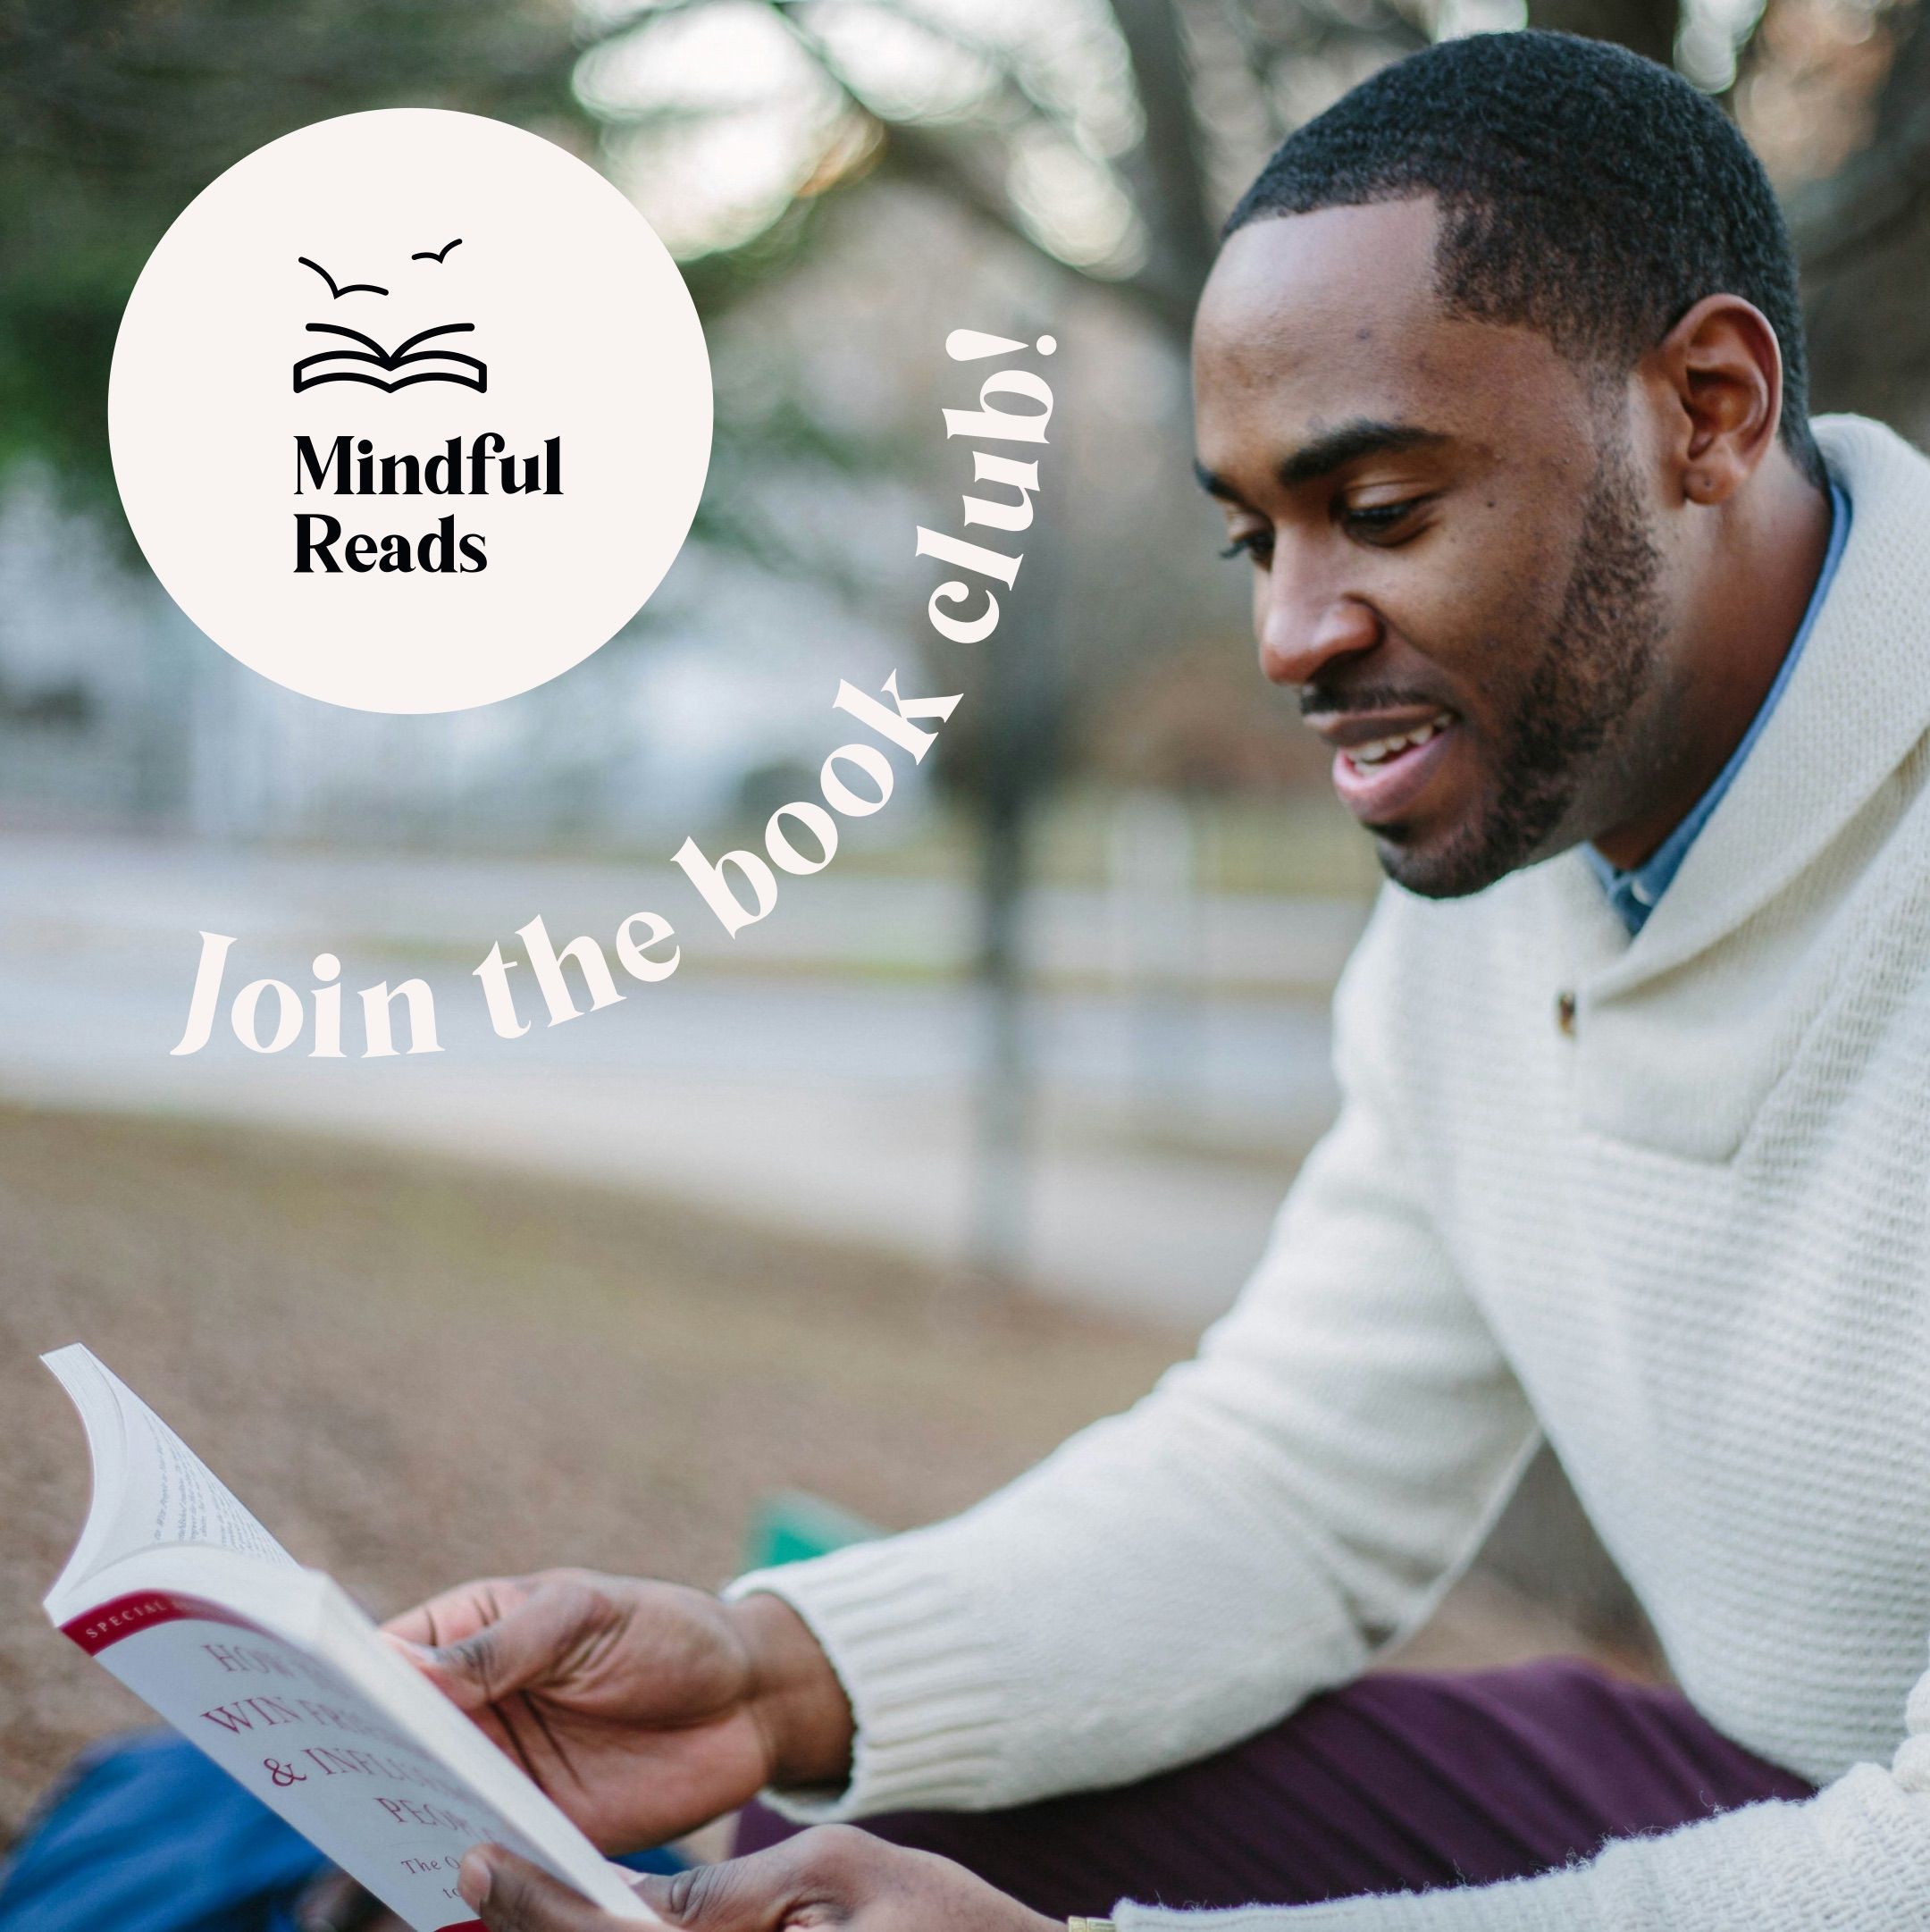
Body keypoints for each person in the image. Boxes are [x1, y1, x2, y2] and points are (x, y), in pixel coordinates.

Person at [381, 29, 1930, 1932]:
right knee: (872, 1857)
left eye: (1378, 510)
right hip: (1787, 1778)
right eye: (1252, 531)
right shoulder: (1504, 889)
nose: (1290, 634)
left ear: (1705, 407)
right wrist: (769, 1666)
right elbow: (1289, 1481)